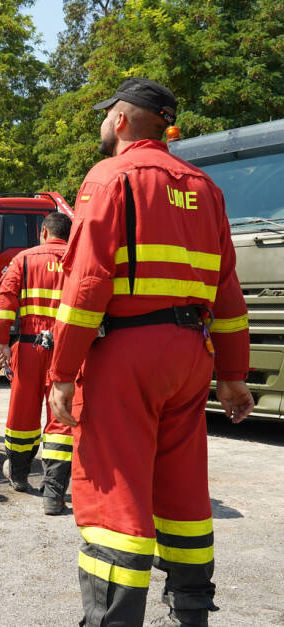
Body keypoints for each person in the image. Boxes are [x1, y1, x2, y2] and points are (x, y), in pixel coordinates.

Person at [46, 78, 254, 626]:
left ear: (121, 120)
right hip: (192, 354)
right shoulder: (206, 188)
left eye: (103, 114)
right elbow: (228, 293)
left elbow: (88, 283)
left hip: (127, 353)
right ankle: (191, 611)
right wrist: (232, 375)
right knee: (184, 490)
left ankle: (112, 619)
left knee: (114, 492)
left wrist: (63, 372)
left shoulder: (110, 177)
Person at [0, 212, 72, 515]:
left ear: (43, 232)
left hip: (28, 345)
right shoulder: (79, 259)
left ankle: (20, 476)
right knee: (62, 416)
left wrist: (0, 343)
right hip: (68, 349)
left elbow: (4, 301)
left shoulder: (23, 259)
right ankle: (54, 494)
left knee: (22, 413)